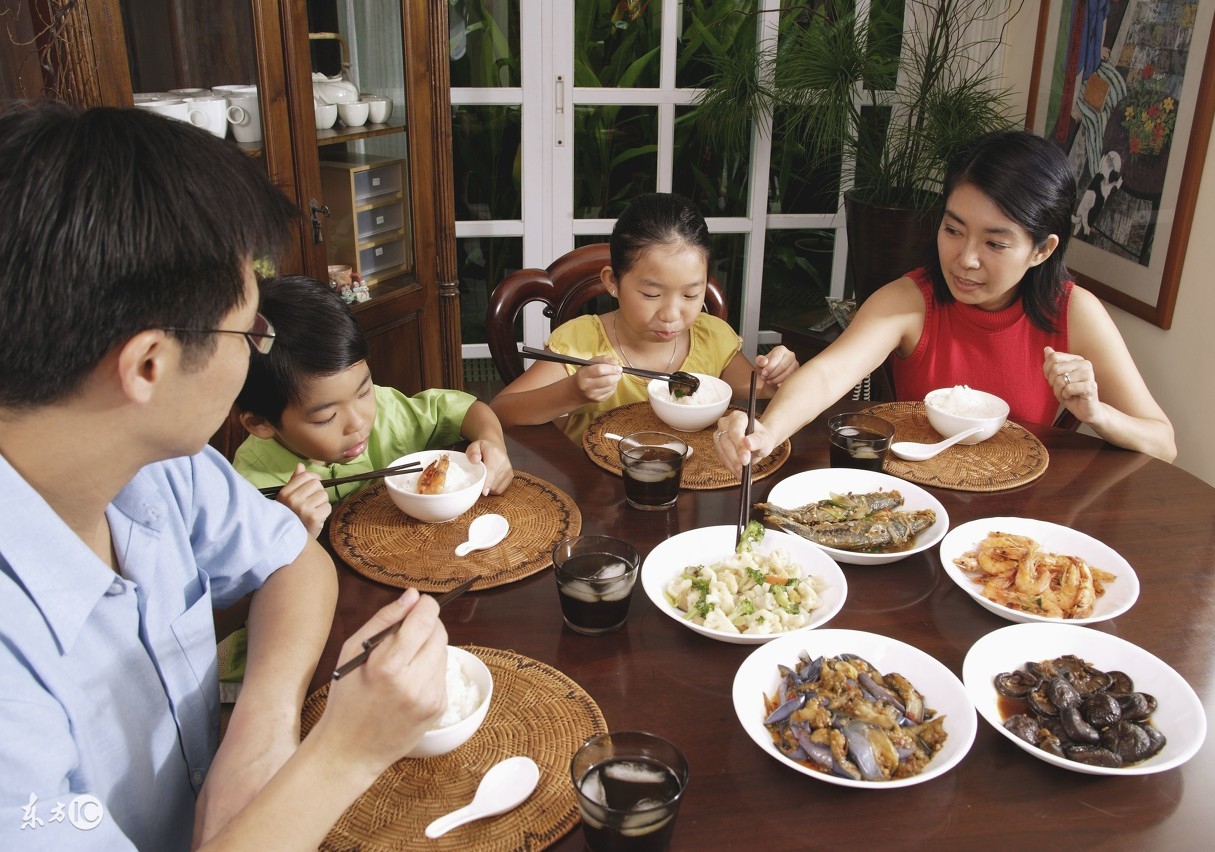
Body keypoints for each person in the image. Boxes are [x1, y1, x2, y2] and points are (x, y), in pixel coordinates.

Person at [0, 102, 451, 850]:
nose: (258, 349)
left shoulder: (157, 466)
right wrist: (346, 750)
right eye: (250, 332)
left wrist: (259, 730)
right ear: (149, 364)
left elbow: (295, 562)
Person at [714, 130, 1176, 469]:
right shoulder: (911, 300)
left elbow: (1163, 443)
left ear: (1042, 250)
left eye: (995, 244)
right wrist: (766, 432)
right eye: (953, 229)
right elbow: (828, 375)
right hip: (913, 504)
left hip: (1022, 520)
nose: (965, 259)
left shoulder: (1074, 311)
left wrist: (1097, 414)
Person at [489, 192, 799, 441]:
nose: (671, 315)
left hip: (692, 484)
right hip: (596, 494)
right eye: (651, 295)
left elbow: (763, 388)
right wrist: (572, 392)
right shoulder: (581, 343)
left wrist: (779, 372)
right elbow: (502, 411)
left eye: (692, 294)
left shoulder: (712, 336)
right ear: (612, 282)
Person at [233, 275, 514, 538]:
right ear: (261, 423)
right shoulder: (248, 487)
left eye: (363, 391)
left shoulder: (387, 412)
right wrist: (290, 537)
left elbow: (466, 410)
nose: (358, 422)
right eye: (326, 417)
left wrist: (491, 441)